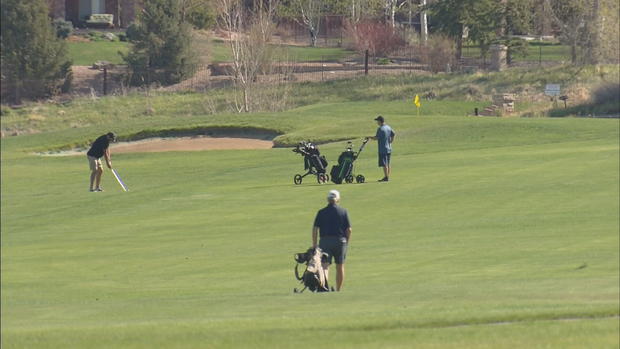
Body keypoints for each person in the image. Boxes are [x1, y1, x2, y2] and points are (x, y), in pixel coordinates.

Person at [312, 190, 352, 291]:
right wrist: (347, 242)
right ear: (338, 199)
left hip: (325, 241)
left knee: (325, 266)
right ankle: (338, 290)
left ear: (328, 200)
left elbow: (315, 229)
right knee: (340, 266)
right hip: (340, 241)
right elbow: (349, 229)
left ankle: (325, 287)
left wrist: (314, 245)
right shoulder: (343, 211)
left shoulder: (321, 212)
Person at [367, 115, 395, 182]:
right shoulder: (388, 127)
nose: (377, 122)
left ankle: (386, 177)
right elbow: (393, 134)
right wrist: (391, 141)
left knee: (384, 164)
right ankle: (387, 176)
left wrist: (369, 137)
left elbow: (376, 138)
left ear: (380, 121)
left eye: (377, 121)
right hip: (389, 148)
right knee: (388, 163)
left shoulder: (380, 129)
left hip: (383, 149)